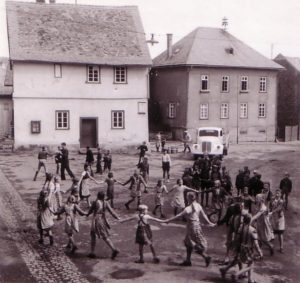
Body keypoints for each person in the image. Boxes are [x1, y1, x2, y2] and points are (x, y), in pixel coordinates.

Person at [165, 192, 215, 267]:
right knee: (188, 243)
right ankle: (188, 260)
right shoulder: (198, 205)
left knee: (193, 244)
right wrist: (209, 222)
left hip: (192, 227)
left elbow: (179, 215)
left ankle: (206, 257)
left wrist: (169, 220)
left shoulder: (188, 208)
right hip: (196, 225)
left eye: (187, 197)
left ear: (189, 198)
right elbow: (204, 215)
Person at [219, 213, 263, 283]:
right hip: (248, 249)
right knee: (251, 264)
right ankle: (237, 274)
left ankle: (225, 270)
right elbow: (256, 244)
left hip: (240, 247)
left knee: (236, 261)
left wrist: (236, 248)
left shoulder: (240, 228)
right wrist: (260, 252)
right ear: (250, 220)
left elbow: (237, 239)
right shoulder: (253, 230)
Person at [87, 191, 120, 259]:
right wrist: (117, 217)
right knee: (104, 235)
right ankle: (113, 249)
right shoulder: (105, 202)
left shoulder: (95, 202)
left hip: (96, 220)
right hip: (102, 219)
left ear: (98, 196)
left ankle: (93, 252)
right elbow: (111, 211)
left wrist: (86, 214)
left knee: (93, 235)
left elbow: (90, 211)